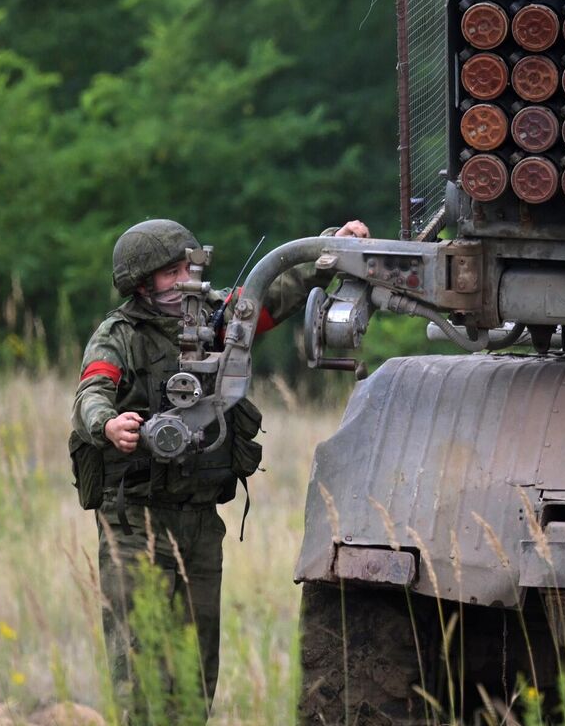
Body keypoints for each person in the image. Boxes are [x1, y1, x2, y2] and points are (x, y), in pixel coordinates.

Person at [70, 217, 368, 722]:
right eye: (172, 272)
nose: (186, 278)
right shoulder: (118, 335)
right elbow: (90, 393)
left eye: (189, 266)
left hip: (199, 523)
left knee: (196, 665)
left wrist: (329, 254)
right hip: (135, 524)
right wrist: (109, 425)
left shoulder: (215, 319)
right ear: (143, 285)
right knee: (142, 665)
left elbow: (270, 301)